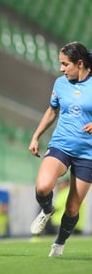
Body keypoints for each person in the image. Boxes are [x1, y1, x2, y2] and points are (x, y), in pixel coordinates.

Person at [28, 42, 92, 257]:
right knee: (43, 187)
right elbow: (52, 111)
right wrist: (36, 136)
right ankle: (47, 211)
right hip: (61, 145)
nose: (61, 68)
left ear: (80, 63)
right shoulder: (60, 84)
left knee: (73, 208)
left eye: (65, 64)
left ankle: (59, 244)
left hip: (87, 154)